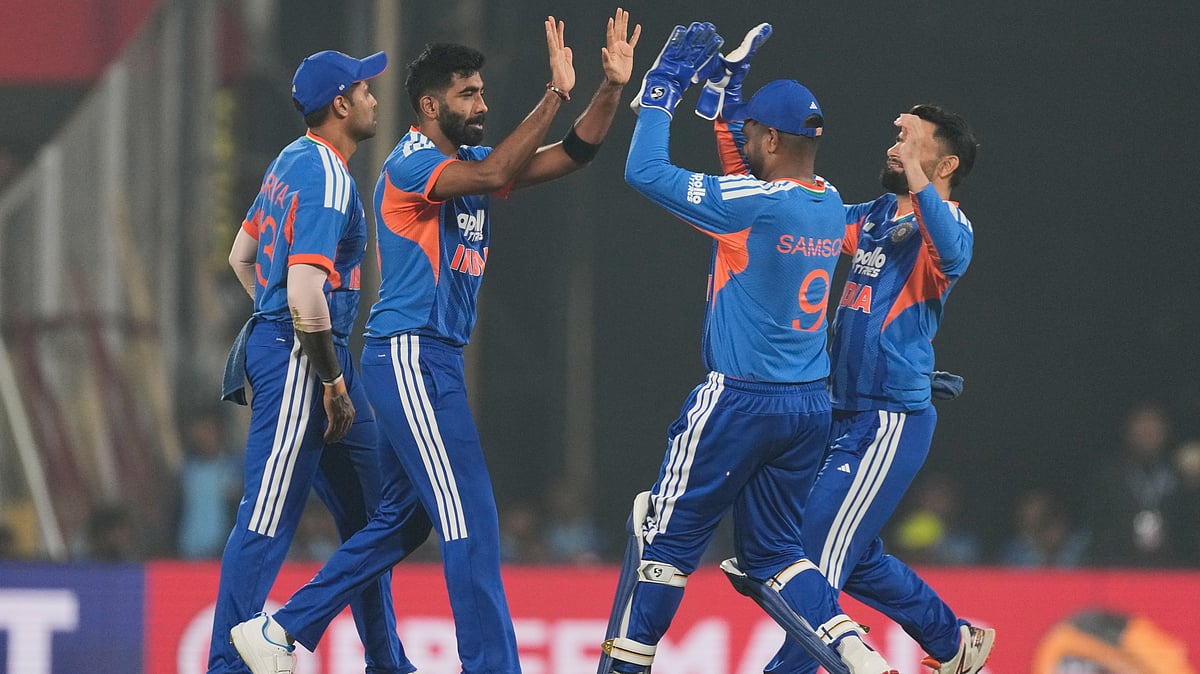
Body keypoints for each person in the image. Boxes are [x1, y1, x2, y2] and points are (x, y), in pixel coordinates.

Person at [230, 11, 641, 674]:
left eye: (481, 92)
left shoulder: (474, 162)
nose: (481, 104)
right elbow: (495, 171)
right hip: (414, 357)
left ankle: (283, 629)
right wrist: (556, 93)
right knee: (470, 519)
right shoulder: (411, 164)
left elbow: (571, 154)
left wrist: (609, 89)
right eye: (468, 94)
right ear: (430, 105)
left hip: (426, 360)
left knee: (404, 520)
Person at [598, 22, 896, 674]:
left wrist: (661, 92)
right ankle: (856, 651)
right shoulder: (826, 203)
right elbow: (745, 172)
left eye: (751, 134)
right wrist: (727, 103)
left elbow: (643, 170)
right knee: (774, 555)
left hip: (737, 402)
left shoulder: (753, 205)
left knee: (660, 538)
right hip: (805, 410)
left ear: (769, 138)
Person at [759, 105, 992, 673]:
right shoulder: (876, 215)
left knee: (811, 563)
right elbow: (805, 222)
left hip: (888, 420)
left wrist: (916, 174)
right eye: (895, 136)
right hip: (838, 414)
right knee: (851, 556)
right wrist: (734, 133)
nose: (893, 147)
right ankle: (953, 642)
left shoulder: (952, 224)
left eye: (908, 140)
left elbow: (951, 252)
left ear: (946, 162)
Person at [209, 49, 413, 674]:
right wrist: (324, 373)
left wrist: (284, 321)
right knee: (266, 517)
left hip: (306, 349)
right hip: (306, 360)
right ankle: (228, 665)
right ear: (340, 104)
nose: (376, 98)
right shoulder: (327, 174)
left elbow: (241, 257)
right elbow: (302, 291)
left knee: (377, 523)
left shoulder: (289, 161)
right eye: (365, 88)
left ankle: (388, 663)